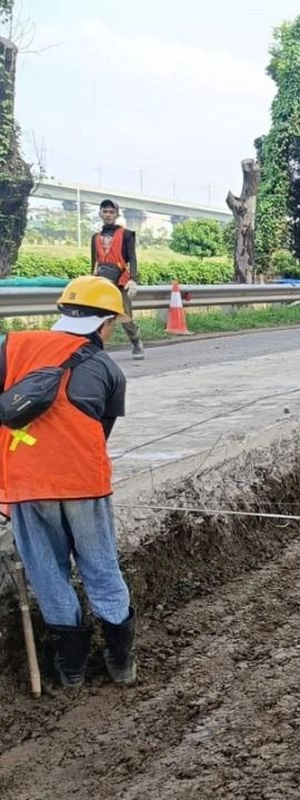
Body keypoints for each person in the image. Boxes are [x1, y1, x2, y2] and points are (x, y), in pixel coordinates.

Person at [1, 276, 136, 688]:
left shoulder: (12, 347)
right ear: (104, 324)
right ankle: (121, 662)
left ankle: (71, 669)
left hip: (26, 484)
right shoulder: (108, 370)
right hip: (84, 485)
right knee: (101, 567)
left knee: (47, 572)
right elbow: (100, 434)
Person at [90, 199, 144, 361]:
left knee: (125, 315)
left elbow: (132, 258)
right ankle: (96, 347)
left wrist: (133, 279)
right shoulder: (95, 238)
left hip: (120, 279)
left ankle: (136, 341)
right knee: (99, 315)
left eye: (111, 212)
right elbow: (94, 261)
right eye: (105, 211)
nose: (108, 215)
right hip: (101, 280)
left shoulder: (126, 234)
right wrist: (91, 280)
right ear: (100, 214)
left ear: (117, 215)